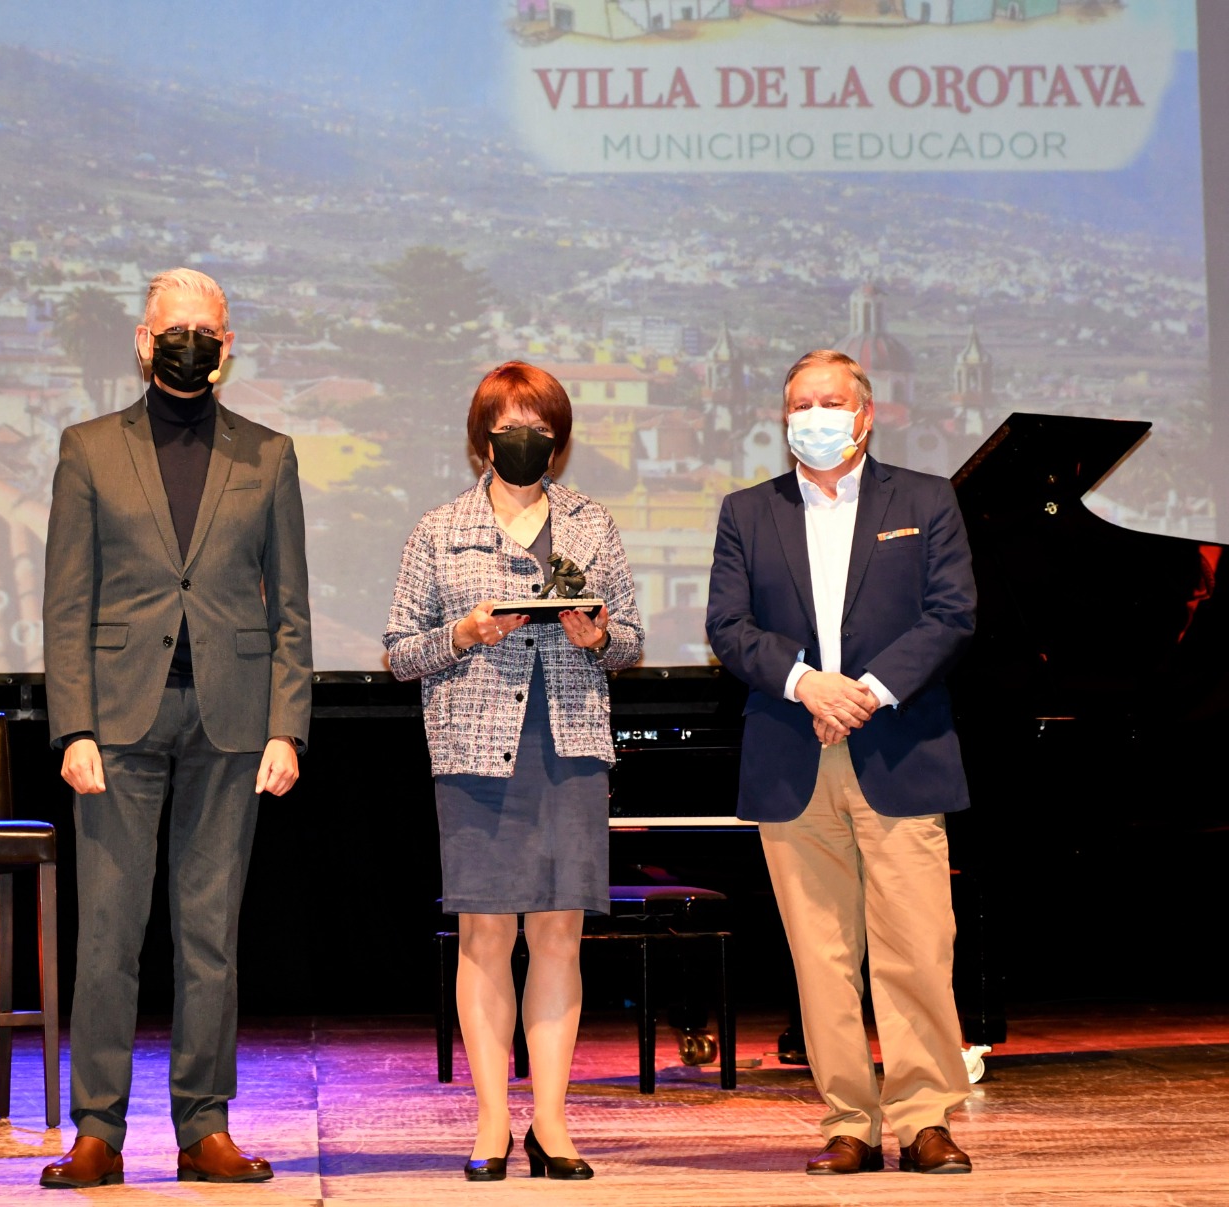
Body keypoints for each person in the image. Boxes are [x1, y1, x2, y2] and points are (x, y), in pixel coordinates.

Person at [40, 268, 312, 1188]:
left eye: (208, 329)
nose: (191, 341)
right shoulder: (87, 448)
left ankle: (203, 1126)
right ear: (143, 340)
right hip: (117, 721)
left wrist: (289, 727)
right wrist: (70, 725)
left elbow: (292, 612)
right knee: (109, 933)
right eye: (175, 327)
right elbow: (66, 602)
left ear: (228, 347)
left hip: (234, 725)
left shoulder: (269, 455)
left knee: (210, 935)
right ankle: (98, 1131)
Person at [705, 349, 976, 1176]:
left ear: (864, 414)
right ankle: (847, 1120)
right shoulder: (748, 510)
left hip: (898, 744)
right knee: (820, 957)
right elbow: (727, 625)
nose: (813, 416)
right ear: (783, 418)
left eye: (829, 402)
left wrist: (866, 690)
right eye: (799, 404)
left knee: (918, 946)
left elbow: (951, 612)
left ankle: (925, 1116)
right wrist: (806, 684)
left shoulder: (926, 500)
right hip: (793, 752)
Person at [383, 361, 643, 1182]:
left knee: (559, 932)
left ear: (558, 439)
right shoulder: (439, 527)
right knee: (486, 932)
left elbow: (631, 640)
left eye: (537, 424)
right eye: (507, 424)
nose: (522, 438)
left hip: (567, 745)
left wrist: (596, 636)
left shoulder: (591, 524)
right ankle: (493, 1120)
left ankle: (554, 1124)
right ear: (482, 436)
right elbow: (398, 653)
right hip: (473, 749)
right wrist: (463, 632)